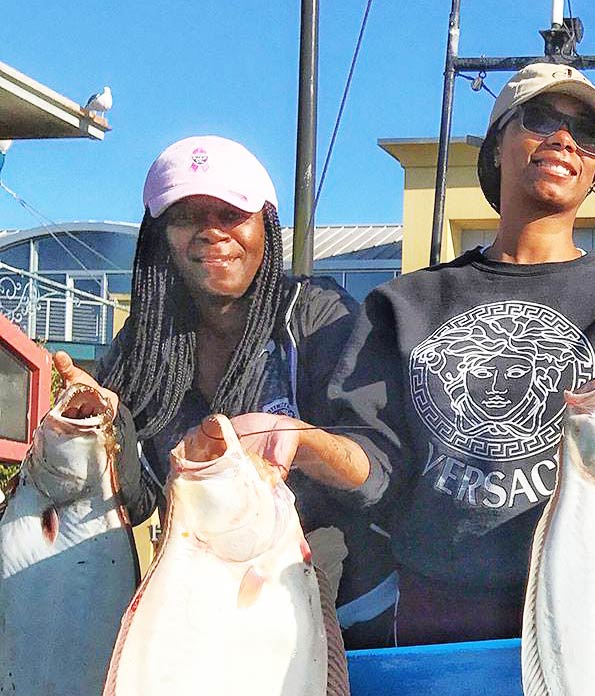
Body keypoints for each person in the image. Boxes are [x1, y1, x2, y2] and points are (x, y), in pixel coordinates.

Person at [317, 63, 595, 645]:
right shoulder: (404, 303)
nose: (564, 140)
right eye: (540, 119)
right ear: (496, 146)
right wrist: (305, 445)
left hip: (590, 615)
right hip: (434, 614)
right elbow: (374, 462)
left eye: (587, 135)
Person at [53, 135, 394, 645]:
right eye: (187, 216)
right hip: (205, 620)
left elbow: (376, 473)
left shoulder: (319, 315)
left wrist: (298, 439)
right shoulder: (142, 343)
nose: (212, 233)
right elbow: (139, 499)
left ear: (265, 226)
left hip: (340, 618)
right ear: (160, 236)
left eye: (231, 214)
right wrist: (95, 434)